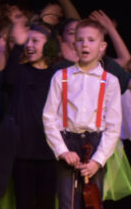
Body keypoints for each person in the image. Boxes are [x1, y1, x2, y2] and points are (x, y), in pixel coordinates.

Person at [42, 20, 122, 209]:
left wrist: (98, 160)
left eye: (91, 40)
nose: (85, 44)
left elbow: (113, 126)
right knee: (67, 202)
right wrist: (62, 150)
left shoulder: (110, 81)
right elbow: (49, 117)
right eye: (80, 40)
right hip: (68, 143)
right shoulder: (61, 77)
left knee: (92, 201)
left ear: (102, 46)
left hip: (94, 145)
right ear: (74, 45)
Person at [0, 22, 62, 209]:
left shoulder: (57, 76)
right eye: (27, 41)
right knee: (24, 203)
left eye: (35, 41)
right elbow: (8, 80)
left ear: (49, 44)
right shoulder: (19, 72)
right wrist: (17, 46)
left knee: (46, 203)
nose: (29, 45)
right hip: (23, 152)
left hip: (49, 152)